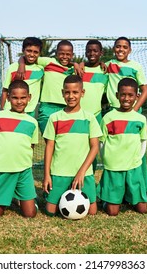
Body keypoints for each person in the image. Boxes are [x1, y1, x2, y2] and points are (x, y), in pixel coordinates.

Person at [42, 75, 102, 217]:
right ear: (62, 93)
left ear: (82, 93)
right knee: (50, 212)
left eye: (75, 92)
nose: (71, 96)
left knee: (92, 212)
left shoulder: (89, 118)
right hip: (60, 172)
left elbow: (95, 147)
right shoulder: (55, 118)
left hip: (83, 174)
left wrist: (81, 172)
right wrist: (46, 175)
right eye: (67, 92)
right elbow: (49, 147)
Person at [105, 36, 147, 203]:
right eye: (118, 46)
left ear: (130, 50)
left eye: (125, 47)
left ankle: (143, 189)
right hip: (114, 112)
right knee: (117, 153)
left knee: (136, 156)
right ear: (113, 48)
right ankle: (113, 191)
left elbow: (145, 90)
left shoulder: (136, 66)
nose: (121, 49)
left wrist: (132, 111)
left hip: (132, 112)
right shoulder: (108, 65)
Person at [0, 80, 39, 218]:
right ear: (8, 97)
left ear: (29, 98)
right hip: (3, 169)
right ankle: (10, 194)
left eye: (23, 97)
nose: (19, 101)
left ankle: (17, 196)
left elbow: (30, 146)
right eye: (15, 97)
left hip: (24, 170)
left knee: (30, 214)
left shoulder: (32, 122)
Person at [96, 77, 147, 216]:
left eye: (130, 95)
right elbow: (101, 142)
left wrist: (138, 158)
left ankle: (127, 195)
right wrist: (106, 159)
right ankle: (109, 199)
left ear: (137, 96)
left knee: (143, 209)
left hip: (133, 166)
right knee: (113, 212)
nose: (126, 98)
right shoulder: (108, 117)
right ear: (117, 95)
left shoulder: (140, 119)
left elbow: (143, 141)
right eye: (123, 94)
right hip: (114, 166)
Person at [17, 40, 84, 135]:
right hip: (46, 107)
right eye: (61, 54)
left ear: (72, 55)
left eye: (68, 54)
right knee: (49, 139)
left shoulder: (74, 70)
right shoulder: (48, 62)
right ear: (56, 53)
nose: (64, 57)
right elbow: (26, 57)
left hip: (65, 108)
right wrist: (21, 65)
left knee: (61, 139)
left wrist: (76, 64)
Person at [0, 37, 44, 117]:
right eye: (29, 51)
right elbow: (5, 91)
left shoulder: (41, 68)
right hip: (10, 109)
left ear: (39, 53)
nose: (32, 54)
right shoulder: (13, 67)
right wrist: (2, 110)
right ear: (23, 50)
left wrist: (74, 64)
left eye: (35, 52)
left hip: (29, 111)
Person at [81, 40, 108, 124]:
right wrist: (79, 63)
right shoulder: (79, 70)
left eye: (95, 51)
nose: (92, 53)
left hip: (97, 115)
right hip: (79, 115)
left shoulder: (105, 72)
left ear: (101, 53)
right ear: (85, 53)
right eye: (89, 51)